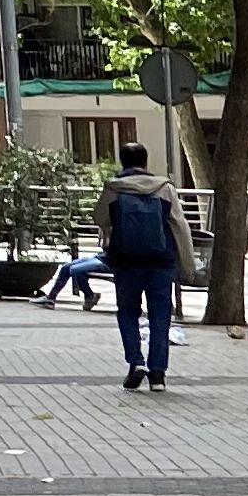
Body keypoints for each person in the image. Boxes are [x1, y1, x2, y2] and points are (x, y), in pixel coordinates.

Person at [100, 140, 199, 390]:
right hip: (160, 262)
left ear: (122, 162)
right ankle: (158, 375)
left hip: (127, 263)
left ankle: (136, 362)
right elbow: (179, 226)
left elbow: (99, 216)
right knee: (160, 317)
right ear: (146, 161)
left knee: (127, 313)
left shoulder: (115, 189)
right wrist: (188, 264)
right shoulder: (164, 189)